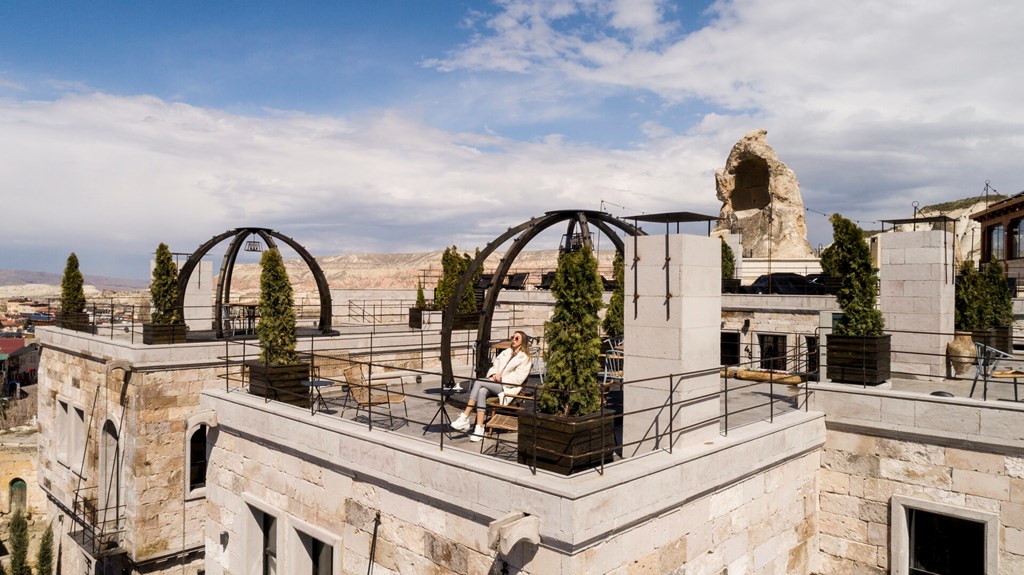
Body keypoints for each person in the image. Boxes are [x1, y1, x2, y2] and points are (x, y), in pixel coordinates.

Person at [451, 330, 532, 441]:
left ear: (523, 342)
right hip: (496, 383)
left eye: (517, 338)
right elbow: (494, 366)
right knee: (481, 391)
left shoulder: (525, 358)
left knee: (479, 382)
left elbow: (518, 379)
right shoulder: (506, 352)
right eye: (512, 337)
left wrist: (502, 379)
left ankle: (465, 416)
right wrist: (494, 374)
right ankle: (479, 429)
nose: (513, 339)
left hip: (509, 387)